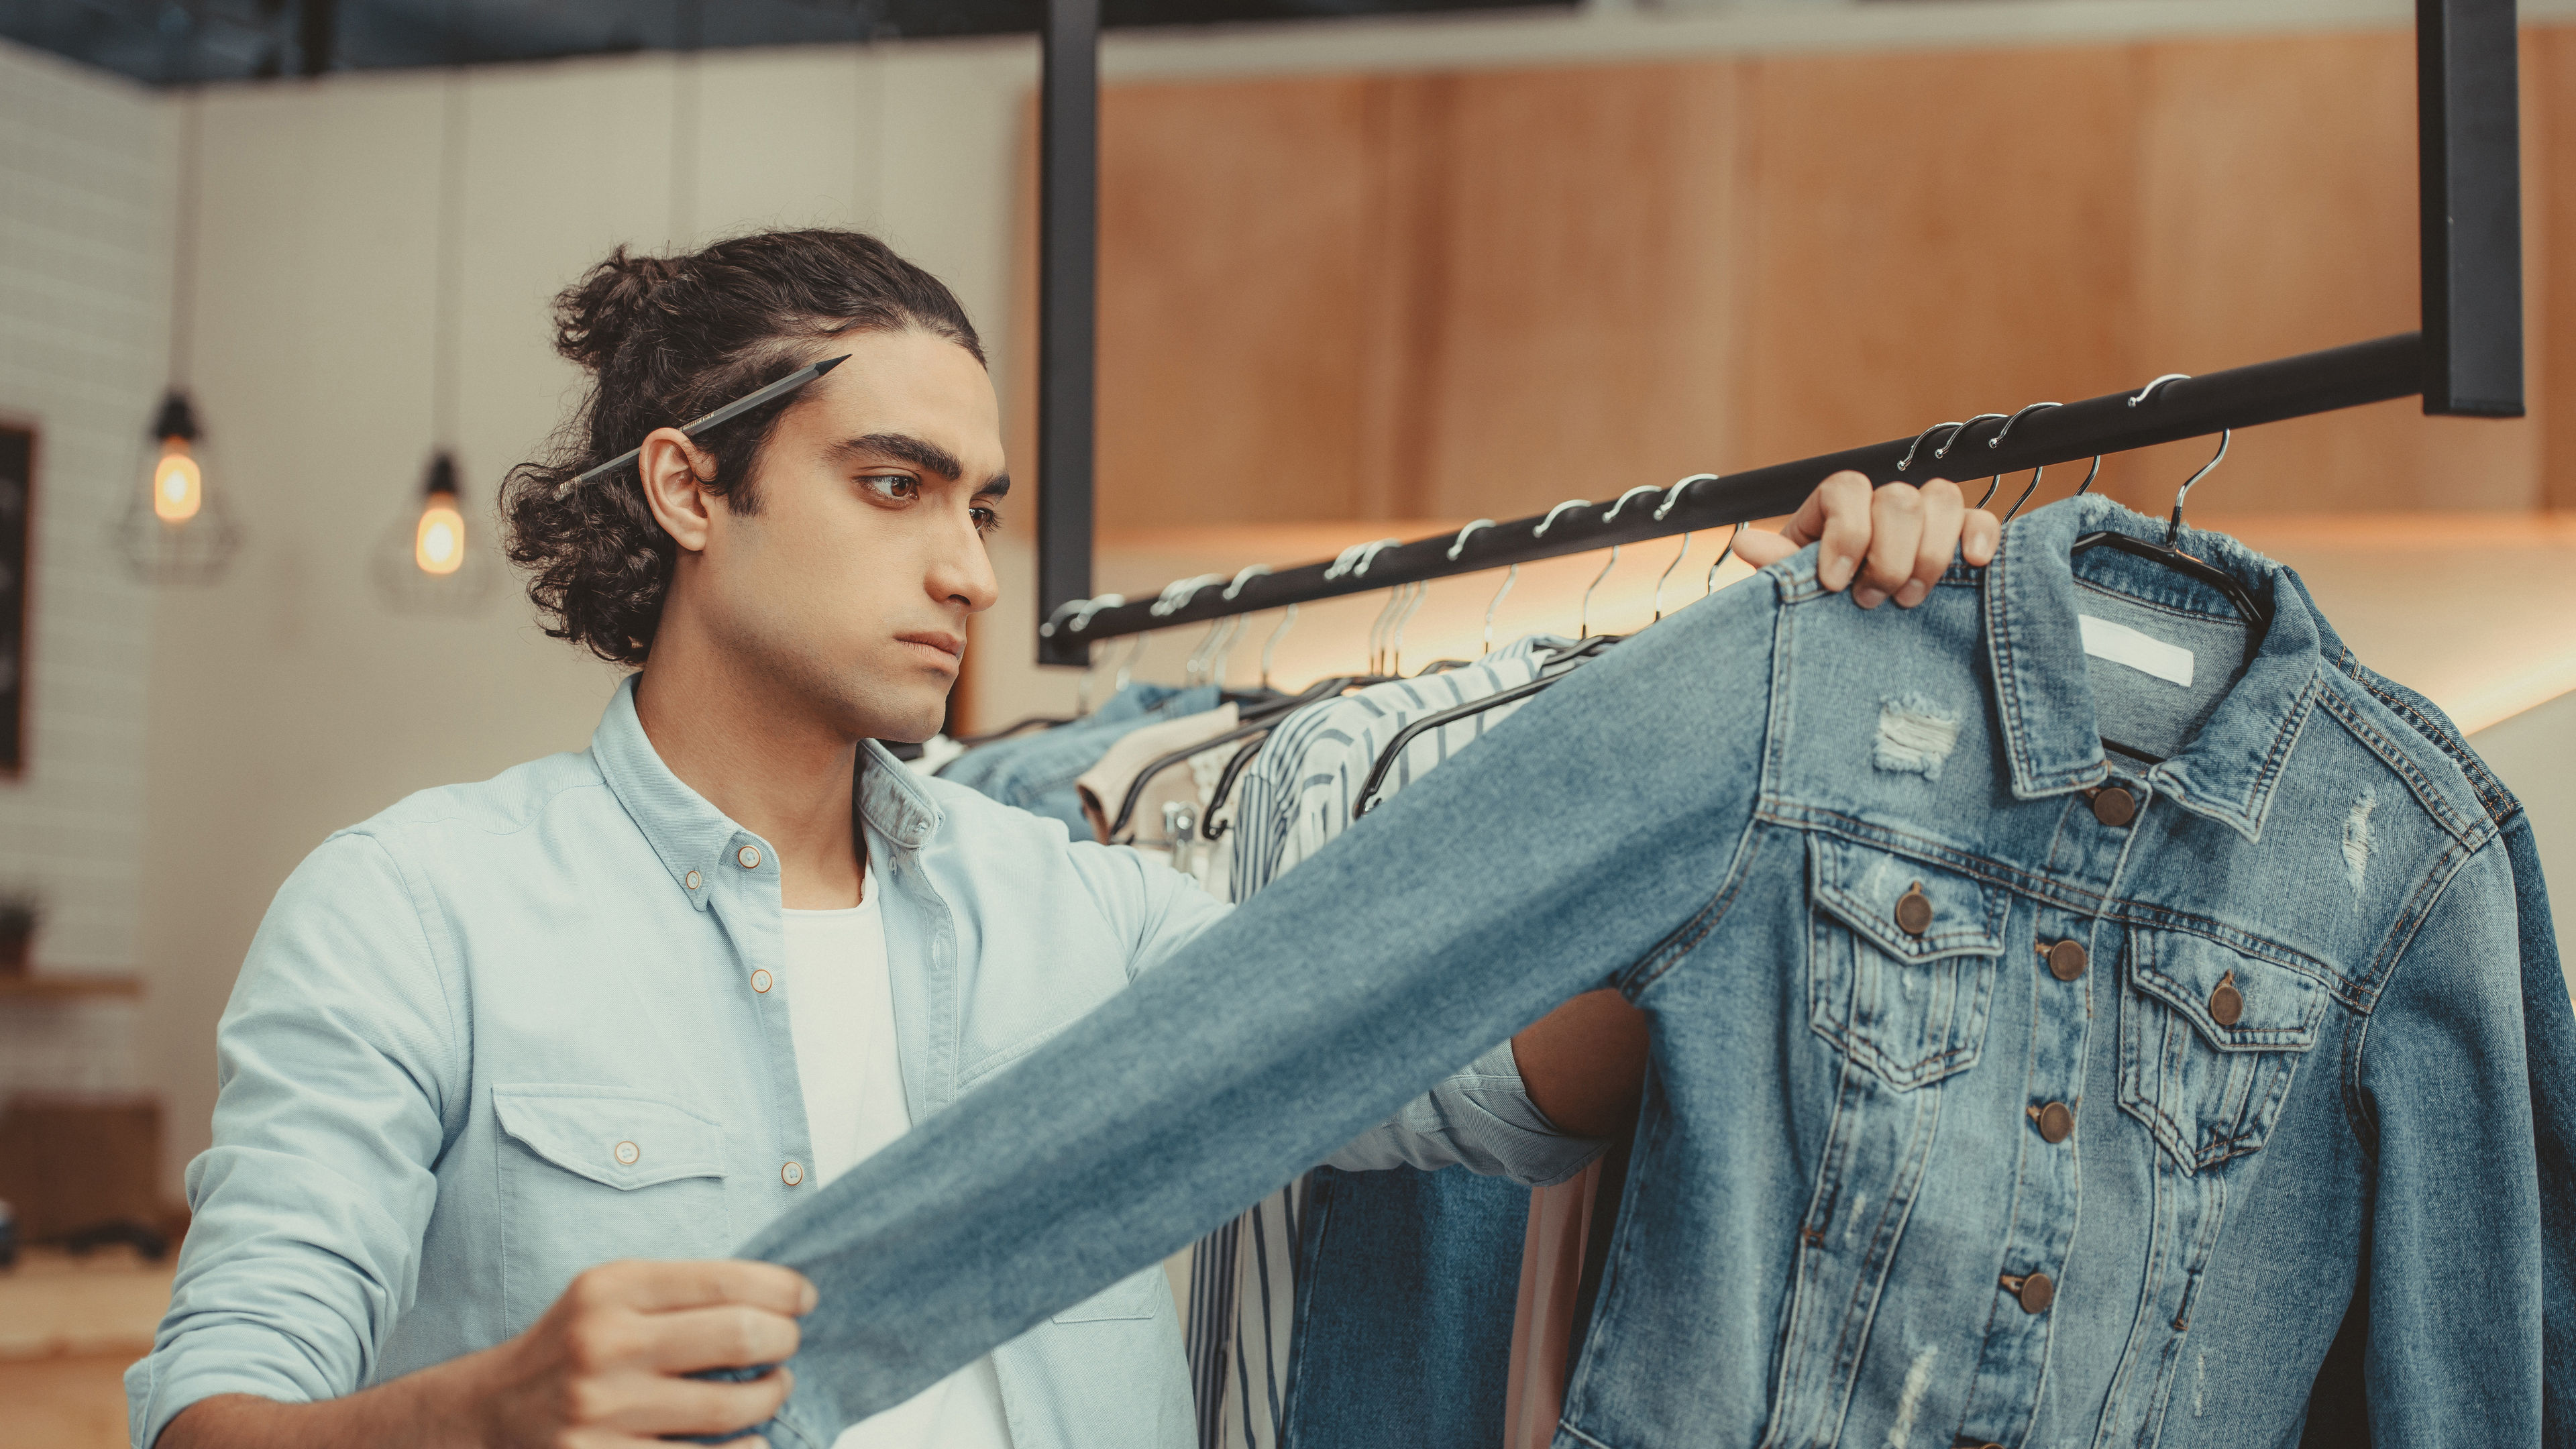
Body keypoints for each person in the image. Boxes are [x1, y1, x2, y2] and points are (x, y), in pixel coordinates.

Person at [131, 228, 2002, 1449]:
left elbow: (1490, 1090)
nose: (968, 569)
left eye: (986, 507)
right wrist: (485, 1412)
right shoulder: (413, 909)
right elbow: (210, 1420)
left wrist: (1775, 715)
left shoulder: (1093, 918)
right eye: (895, 488)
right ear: (694, 488)